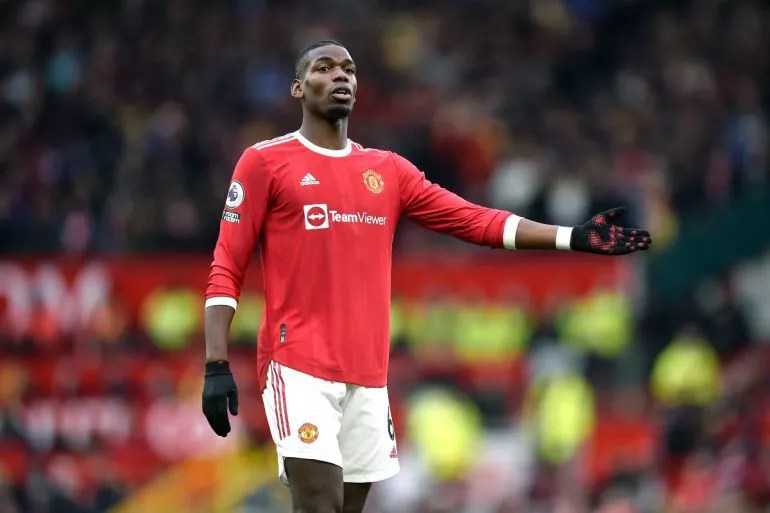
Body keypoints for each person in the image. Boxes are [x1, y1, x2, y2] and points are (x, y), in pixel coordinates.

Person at [201, 39, 652, 513]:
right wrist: (216, 363)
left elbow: (476, 220)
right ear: (298, 87)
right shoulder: (265, 162)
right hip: (298, 365)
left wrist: (572, 237)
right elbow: (226, 264)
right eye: (324, 67)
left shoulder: (387, 171)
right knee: (318, 504)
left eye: (348, 69)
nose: (340, 76)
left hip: (368, 375)